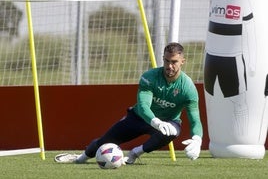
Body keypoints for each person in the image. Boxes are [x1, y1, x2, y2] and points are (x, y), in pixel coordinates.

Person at [55, 42, 203, 164]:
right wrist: (156, 122)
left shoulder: (188, 88)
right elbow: (144, 106)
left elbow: (195, 118)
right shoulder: (150, 77)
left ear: (183, 62)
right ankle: (80, 158)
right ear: (163, 59)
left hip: (168, 121)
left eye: (174, 62)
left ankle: (134, 154)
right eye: (166, 61)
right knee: (105, 142)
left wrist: (197, 139)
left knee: (173, 131)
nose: (169, 66)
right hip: (139, 118)